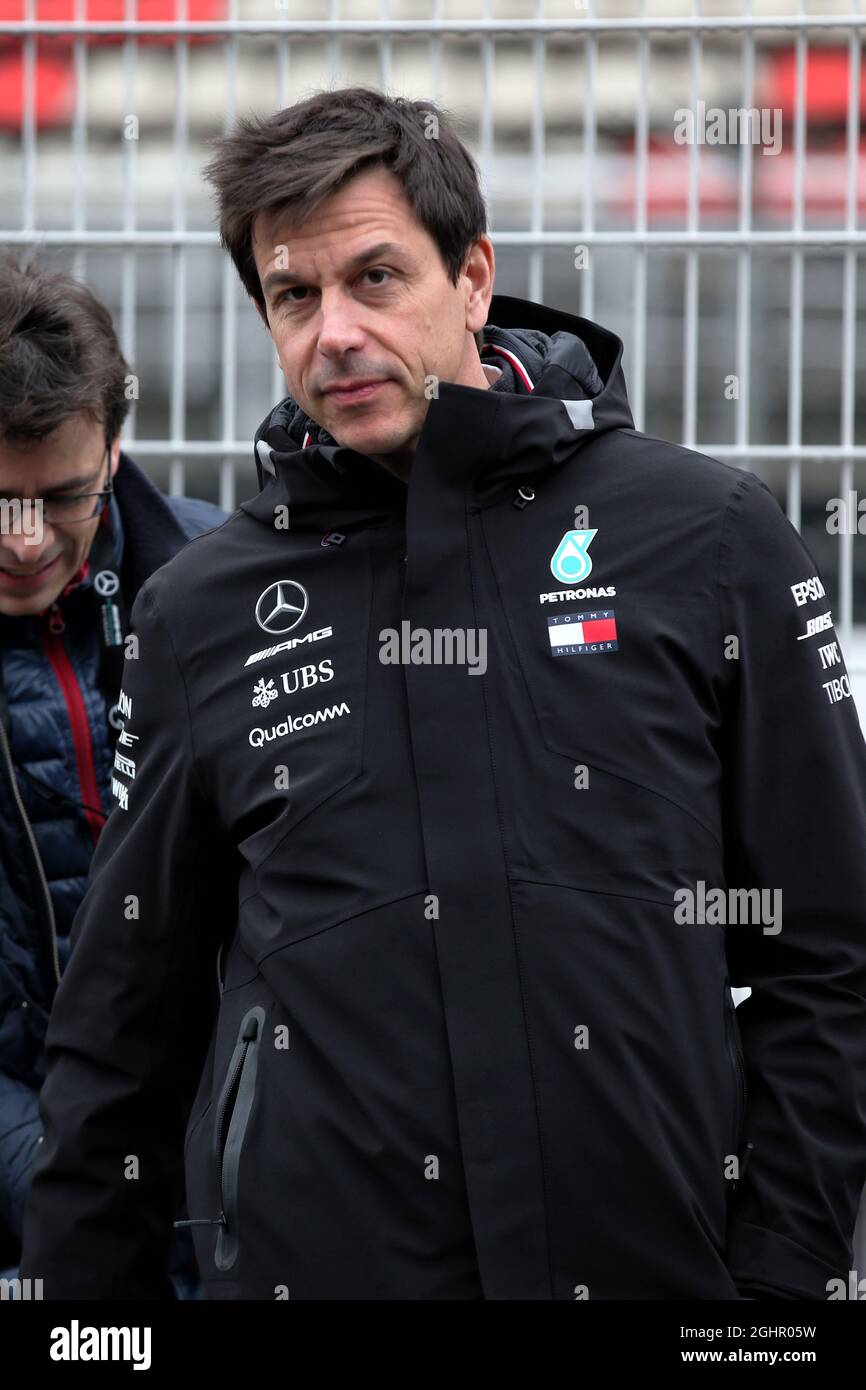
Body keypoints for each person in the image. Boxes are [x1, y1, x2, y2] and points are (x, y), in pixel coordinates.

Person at [19, 87, 866, 1301]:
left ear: (471, 277)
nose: (335, 334)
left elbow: (824, 950)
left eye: (375, 278)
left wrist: (777, 1286)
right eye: (292, 296)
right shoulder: (202, 611)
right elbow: (118, 1036)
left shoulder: (708, 539)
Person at [0, 256, 226, 1295]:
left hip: (233, 1170)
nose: (26, 541)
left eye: (63, 496)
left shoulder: (223, 591)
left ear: (115, 444)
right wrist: (62, 1175)